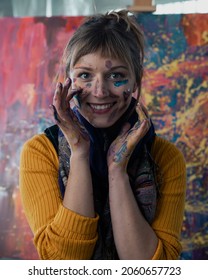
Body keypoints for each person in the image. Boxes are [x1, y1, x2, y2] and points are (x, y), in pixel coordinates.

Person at [19, 9, 186, 260]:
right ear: (69, 81)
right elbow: (62, 265)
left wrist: (117, 169)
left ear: (135, 82)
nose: (99, 91)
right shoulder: (40, 152)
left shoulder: (166, 158)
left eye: (116, 76)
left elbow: (155, 270)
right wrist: (79, 152)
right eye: (85, 75)